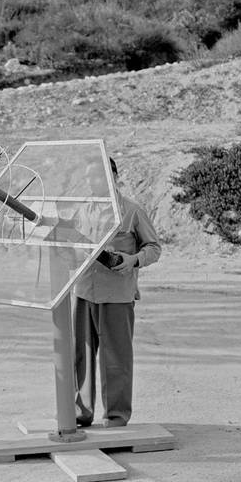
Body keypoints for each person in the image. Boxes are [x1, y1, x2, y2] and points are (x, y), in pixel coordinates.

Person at [73, 157, 161, 428]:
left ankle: (116, 416)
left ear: (113, 176)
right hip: (84, 291)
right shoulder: (82, 210)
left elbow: (153, 248)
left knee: (116, 358)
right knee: (81, 355)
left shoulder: (132, 211)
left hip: (117, 296)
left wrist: (133, 260)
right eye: (88, 177)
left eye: (96, 176)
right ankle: (81, 412)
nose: (90, 182)